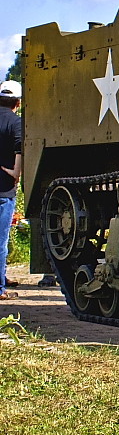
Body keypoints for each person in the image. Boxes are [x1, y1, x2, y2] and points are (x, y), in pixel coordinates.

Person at [0, 80, 21, 301]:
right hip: (3, 189)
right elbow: (20, 147)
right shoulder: (16, 122)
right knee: (0, 242)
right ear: (17, 102)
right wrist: (15, 173)